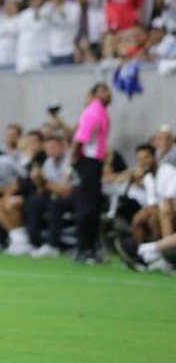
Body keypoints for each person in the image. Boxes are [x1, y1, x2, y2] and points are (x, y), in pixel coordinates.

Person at [71, 82, 112, 263]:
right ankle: (84, 248)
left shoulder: (101, 111)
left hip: (94, 162)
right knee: (87, 207)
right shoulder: (93, 111)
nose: (109, 94)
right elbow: (81, 137)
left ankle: (88, 247)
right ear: (95, 94)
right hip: (89, 161)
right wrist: (74, 157)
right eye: (104, 90)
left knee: (91, 206)